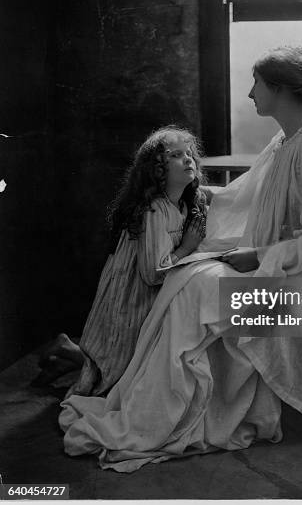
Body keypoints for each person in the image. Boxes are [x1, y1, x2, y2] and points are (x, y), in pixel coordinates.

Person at [58, 46, 302, 472]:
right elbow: (247, 195)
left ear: (281, 90)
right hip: (292, 264)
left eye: (257, 84)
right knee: (191, 278)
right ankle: (169, 401)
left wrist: (260, 254)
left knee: (201, 285)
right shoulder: (287, 139)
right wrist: (190, 195)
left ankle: (176, 407)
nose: (250, 93)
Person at [34, 126, 207, 396]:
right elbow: (152, 273)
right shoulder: (154, 210)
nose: (187, 159)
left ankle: (68, 355)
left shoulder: (184, 203)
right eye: (175, 155)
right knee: (123, 368)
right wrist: (186, 248)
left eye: (189, 154)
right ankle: (68, 352)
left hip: (150, 293)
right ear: (157, 170)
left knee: (131, 365)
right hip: (132, 294)